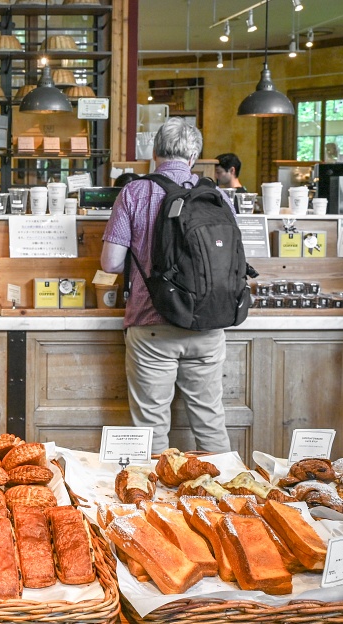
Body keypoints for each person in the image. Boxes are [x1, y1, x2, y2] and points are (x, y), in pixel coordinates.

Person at [100, 118, 232, 454]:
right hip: (208, 324)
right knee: (210, 421)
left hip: (152, 324)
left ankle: (155, 503)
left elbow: (111, 263)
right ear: (194, 157)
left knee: (152, 427)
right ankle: (225, 501)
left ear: (155, 152)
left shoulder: (135, 192)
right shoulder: (217, 197)